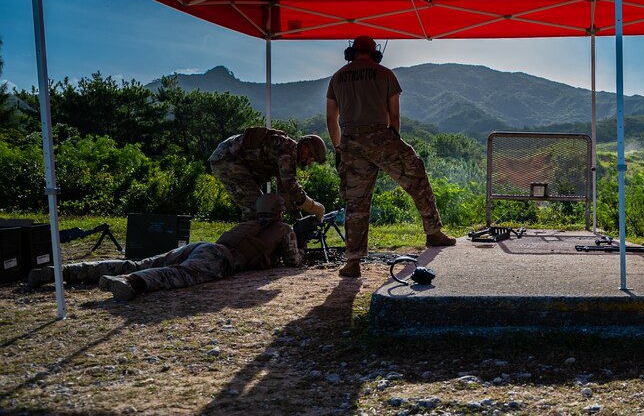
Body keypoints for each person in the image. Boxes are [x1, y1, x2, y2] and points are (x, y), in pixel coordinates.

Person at [326, 35, 456, 278]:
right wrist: (392, 142)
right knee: (416, 177)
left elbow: (331, 119)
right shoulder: (385, 74)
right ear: (374, 52)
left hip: (350, 141)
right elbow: (394, 116)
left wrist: (339, 149)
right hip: (380, 135)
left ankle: (353, 261)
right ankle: (433, 232)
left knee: (356, 203)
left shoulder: (337, 77)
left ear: (351, 52)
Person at [27, 193, 303, 301]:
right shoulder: (283, 229)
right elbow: (293, 261)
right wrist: (301, 250)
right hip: (221, 259)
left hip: (203, 245)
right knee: (179, 275)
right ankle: (130, 283)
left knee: (140, 261)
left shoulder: (249, 222)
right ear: (280, 212)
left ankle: (60, 272)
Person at [209, 126, 327, 220]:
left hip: (232, 158)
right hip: (226, 158)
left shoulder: (289, 155)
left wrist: (298, 221)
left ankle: (254, 243)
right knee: (256, 208)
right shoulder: (287, 150)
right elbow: (291, 186)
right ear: (306, 148)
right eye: (312, 157)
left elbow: (286, 194)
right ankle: (245, 245)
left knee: (264, 208)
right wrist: (315, 208)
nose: (310, 162)